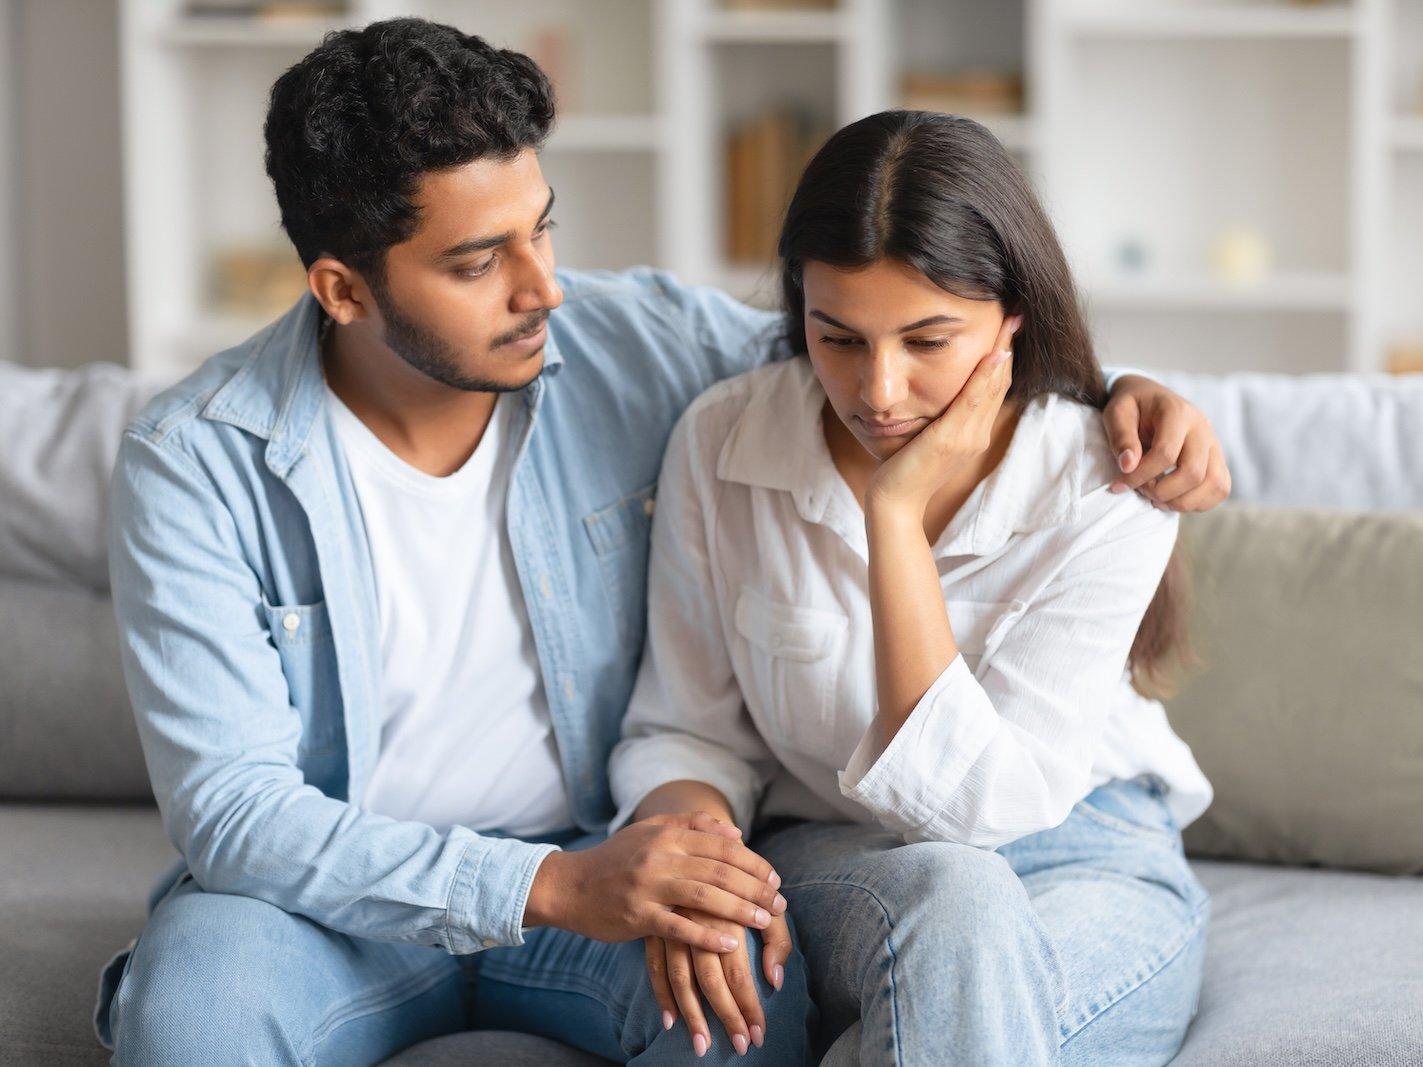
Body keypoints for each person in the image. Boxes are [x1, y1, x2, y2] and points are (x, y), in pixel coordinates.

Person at [95, 19, 1227, 1066]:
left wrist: (1123, 396)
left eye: (542, 228)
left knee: (739, 1005)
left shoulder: (630, 340)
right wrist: (548, 883)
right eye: (478, 262)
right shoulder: (196, 463)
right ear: (343, 289)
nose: (544, 288)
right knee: (192, 1007)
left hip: (611, 863)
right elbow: (234, 812)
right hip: (350, 899)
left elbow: (893, 334)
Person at [611, 110, 1221, 1066]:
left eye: (927, 341)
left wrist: (892, 520)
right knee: (952, 941)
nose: (879, 391)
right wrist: (698, 864)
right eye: (838, 338)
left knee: (935, 1021)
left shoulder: (1109, 481)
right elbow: (686, 728)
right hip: (839, 854)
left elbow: (978, 811)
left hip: (1084, 849)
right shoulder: (723, 441)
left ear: (1013, 317)